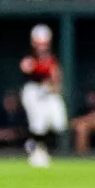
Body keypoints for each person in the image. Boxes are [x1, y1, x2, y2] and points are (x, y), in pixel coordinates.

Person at [18, 23, 67, 168]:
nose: (42, 47)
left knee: (59, 123)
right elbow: (29, 70)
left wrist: (54, 85)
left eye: (44, 44)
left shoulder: (52, 58)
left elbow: (56, 78)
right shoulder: (28, 58)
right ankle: (37, 151)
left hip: (48, 93)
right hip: (33, 91)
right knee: (38, 123)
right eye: (39, 44)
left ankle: (34, 145)